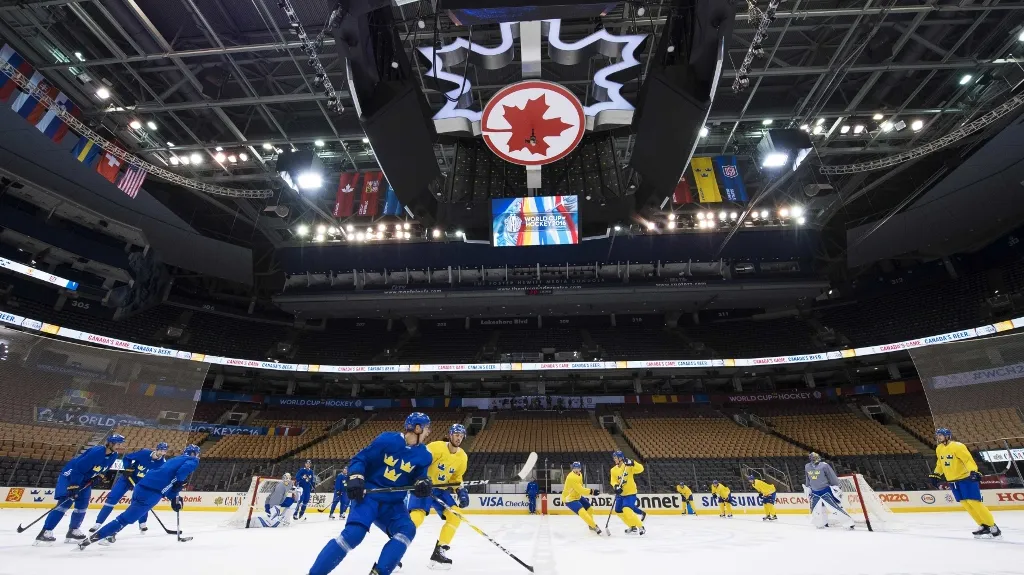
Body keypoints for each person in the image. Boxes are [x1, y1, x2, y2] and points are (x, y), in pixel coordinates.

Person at [307, 412, 434, 575]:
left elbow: (420, 476)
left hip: (393, 504)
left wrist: (423, 483)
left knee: (407, 530)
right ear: (417, 428)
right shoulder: (387, 440)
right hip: (369, 497)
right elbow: (361, 459)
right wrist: (356, 476)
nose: (428, 432)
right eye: (426, 428)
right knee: (354, 534)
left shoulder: (425, 455)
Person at [78, 444, 200, 549]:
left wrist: (174, 497)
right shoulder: (192, 460)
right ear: (194, 453)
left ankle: (110, 535)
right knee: (125, 518)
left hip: (141, 487)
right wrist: (179, 481)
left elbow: (167, 480)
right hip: (151, 493)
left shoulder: (173, 460)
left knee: (131, 514)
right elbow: (182, 472)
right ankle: (99, 536)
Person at [36, 434, 126, 545]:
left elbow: (104, 469)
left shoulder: (114, 455)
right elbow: (78, 470)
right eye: (118, 444)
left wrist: (99, 476)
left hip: (85, 479)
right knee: (64, 504)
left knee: (82, 506)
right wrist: (73, 486)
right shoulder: (96, 452)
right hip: (71, 477)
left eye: (121, 444)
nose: (120, 446)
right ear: (110, 443)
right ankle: (46, 531)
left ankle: (73, 530)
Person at [408, 423, 470, 569]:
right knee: (416, 518)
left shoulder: (462, 457)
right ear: (450, 435)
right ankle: (395, 551)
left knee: (455, 515)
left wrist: (460, 490)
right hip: (423, 487)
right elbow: (419, 462)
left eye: (461, 436)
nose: (458, 438)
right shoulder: (436, 447)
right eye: (456, 435)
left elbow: (456, 477)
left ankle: (439, 552)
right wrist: (419, 478)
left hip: (440, 490)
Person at [930, 427, 1002, 538]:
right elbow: (940, 463)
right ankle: (983, 525)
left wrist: (974, 471)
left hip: (965, 479)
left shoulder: (958, 446)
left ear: (948, 435)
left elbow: (968, 460)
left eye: (940, 435)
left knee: (974, 502)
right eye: (937, 435)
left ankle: (993, 526)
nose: (938, 437)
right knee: (966, 504)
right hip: (952, 481)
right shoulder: (939, 448)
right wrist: (936, 474)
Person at [90, 441, 168, 534]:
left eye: (165, 451)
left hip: (141, 484)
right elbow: (127, 458)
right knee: (112, 498)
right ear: (156, 449)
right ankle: (98, 523)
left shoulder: (163, 464)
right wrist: (127, 468)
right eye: (161, 451)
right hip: (127, 478)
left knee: (141, 503)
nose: (162, 453)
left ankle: (142, 523)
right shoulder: (144, 453)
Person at [804, 452, 853, 529]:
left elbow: (831, 476)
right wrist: (808, 487)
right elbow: (808, 477)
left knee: (836, 508)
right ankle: (821, 523)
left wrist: (836, 485)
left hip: (826, 491)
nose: (815, 459)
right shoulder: (807, 466)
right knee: (816, 510)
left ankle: (849, 523)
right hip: (814, 492)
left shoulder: (824, 465)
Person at [609, 450, 645, 535]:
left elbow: (641, 469)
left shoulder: (628, 466)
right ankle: (632, 526)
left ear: (620, 458)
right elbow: (613, 480)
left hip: (630, 493)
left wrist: (633, 463)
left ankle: (641, 527)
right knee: (618, 511)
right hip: (621, 494)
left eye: (616, 458)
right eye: (614, 458)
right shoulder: (613, 470)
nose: (614, 459)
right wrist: (615, 486)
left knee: (627, 509)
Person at [562, 461, 601, 534]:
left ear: (580, 469)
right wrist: (592, 491)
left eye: (578, 468)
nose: (576, 470)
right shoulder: (571, 477)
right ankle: (594, 526)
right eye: (575, 468)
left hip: (577, 496)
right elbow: (581, 490)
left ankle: (590, 525)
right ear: (572, 469)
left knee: (590, 509)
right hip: (569, 499)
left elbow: (580, 488)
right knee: (582, 512)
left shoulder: (580, 474)